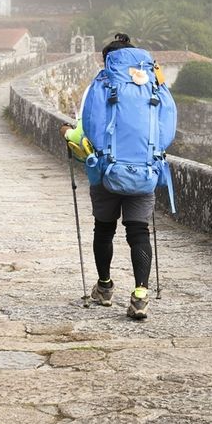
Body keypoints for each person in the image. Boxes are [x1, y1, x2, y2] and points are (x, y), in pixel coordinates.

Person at [62, 33, 156, 320]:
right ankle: (140, 294)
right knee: (138, 231)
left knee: (104, 229)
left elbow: (85, 129)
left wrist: (67, 134)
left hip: (105, 171)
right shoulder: (151, 83)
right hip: (144, 169)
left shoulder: (99, 85)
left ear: (106, 59)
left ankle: (104, 288)